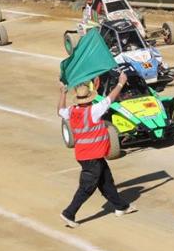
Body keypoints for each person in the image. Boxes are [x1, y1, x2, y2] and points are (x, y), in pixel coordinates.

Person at [57, 71, 136, 228]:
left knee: (106, 181)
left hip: (87, 155)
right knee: (87, 187)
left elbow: (60, 111)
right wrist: (121, 83)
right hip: (91, 158)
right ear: (89, 98)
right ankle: (69, 213)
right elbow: (110, 98)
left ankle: (121, 207)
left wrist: (63, 93)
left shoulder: (72, 111)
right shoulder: (93, 111)